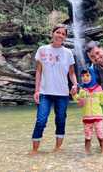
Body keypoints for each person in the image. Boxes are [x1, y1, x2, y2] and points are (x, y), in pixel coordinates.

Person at [30, 24, 78, 155]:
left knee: (61, 120)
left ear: (65, 37)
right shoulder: (42, 49)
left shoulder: (68, 53)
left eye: (63, 34)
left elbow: (72, 73)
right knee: (41, 120)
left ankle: (57, 148)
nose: (60, 35)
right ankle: (34, 150)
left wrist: (75, 84)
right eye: (58, 32)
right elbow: (38, 71)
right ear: (52, 33)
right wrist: (36, 90)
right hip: (45, 92)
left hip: (62, 93)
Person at [73, 66, 103, 154]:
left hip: (98, 117)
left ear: (93, 76)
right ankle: (87, 151)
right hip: (86, 118)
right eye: (83, 76)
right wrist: (74, 95)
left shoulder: (99, 88)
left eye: (87, 75)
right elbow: (79, 101)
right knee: (87, 136)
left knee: (100, 135)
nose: (85, 78)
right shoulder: (82, 90)